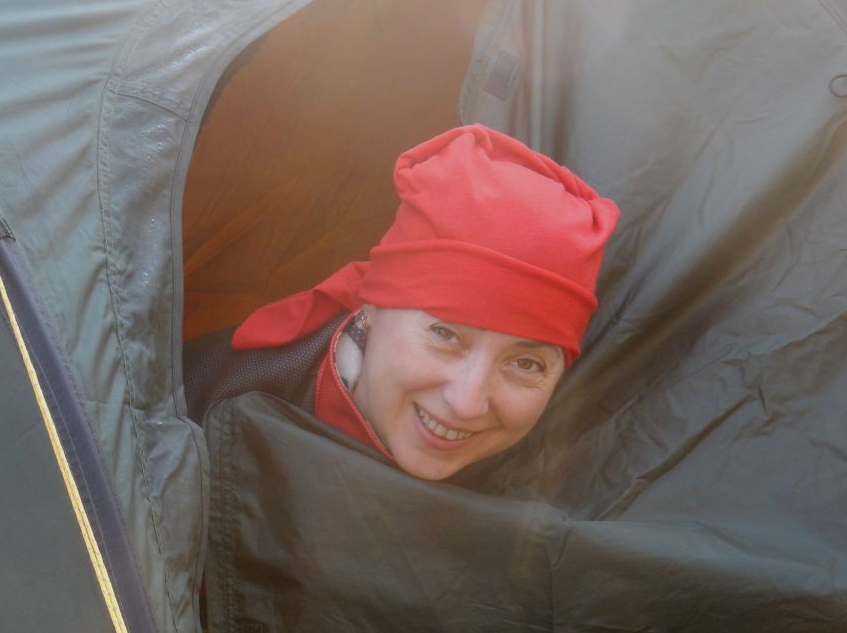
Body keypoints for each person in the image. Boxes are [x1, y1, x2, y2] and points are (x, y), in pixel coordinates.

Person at [184, 124, 619, 480]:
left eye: (526, 364)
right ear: (371, 308)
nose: (466, 403)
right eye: (444, 333)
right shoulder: (198, 396)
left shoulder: (564, 489)